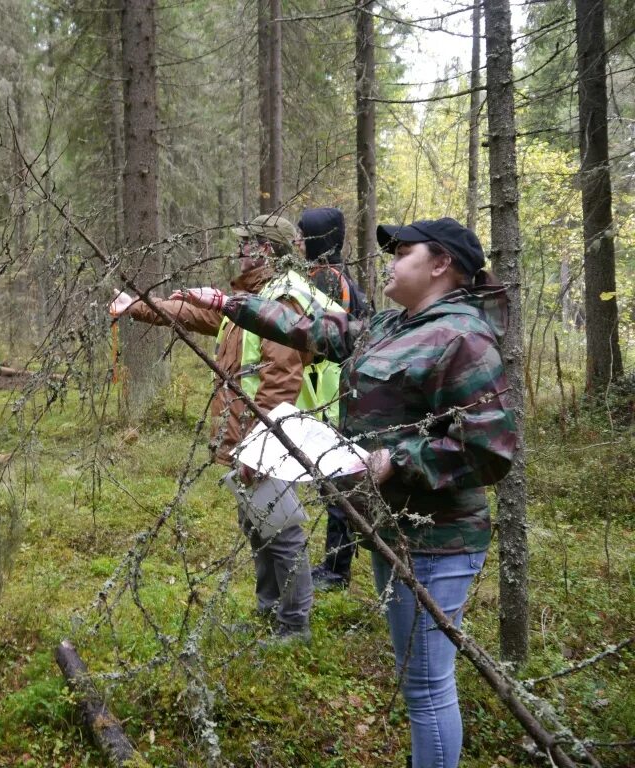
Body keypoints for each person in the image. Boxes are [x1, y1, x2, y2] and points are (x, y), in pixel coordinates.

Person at [175, 217, 517, 768]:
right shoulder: (393, 324)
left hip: (437, 541)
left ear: (440, 265)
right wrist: (229, 304)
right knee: (417, 682)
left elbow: (491, 449)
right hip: (390, 526)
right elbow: (317, 331)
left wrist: (391, 460)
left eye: (404, 251)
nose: (391, 258)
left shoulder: (462, 338)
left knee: (427, 689)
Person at [110, 213, 345, 644]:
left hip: (272, 437)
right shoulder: (251, 297)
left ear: (268, 250)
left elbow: (281, 377)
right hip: (250, 437)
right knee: (257, 523)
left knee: (281, 529)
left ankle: (294, 625)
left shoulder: (283, 299)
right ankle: (268, 612)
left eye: (246, 244)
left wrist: (262, 447)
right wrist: (136, 304)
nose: (238, 252)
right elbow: (190, 313)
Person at [296, 207, 372, 591]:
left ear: (316, 238)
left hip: (333, 395)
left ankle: (337, 569)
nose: (296, 239)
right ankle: (337, 563)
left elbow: (321, 339)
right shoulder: (334, 277)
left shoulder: (327, 280)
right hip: (334, 393)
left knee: (337, 479)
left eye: (302, 233)